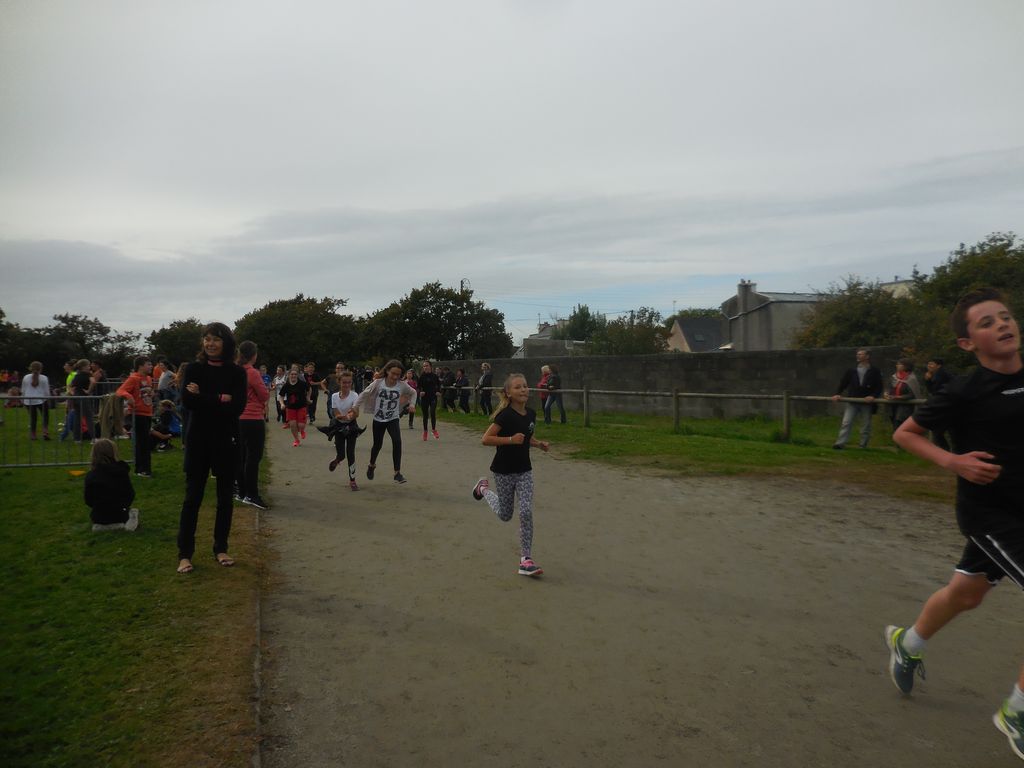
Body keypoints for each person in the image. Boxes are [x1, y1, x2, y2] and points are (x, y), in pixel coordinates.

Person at [884, 288, 1024, 762]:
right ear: (967, 343)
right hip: (991, 515)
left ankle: (908, 642)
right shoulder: (963, 391)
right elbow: (905, 433)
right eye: (987, 322)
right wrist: (954, 461)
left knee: (966, 594)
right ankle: (1018, 712)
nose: (1002, 324)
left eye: (1005, 317)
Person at [176, 322, 247, 575]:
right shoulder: (193, 369)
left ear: (226, 343)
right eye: (207, 339)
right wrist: (219, 398)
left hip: (226, 440)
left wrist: (203, 396)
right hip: (198, 441)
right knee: (192, 499)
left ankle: (221, 548)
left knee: (224, 499)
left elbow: (237, 407)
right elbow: (187, 402)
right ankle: (185, 554)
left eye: (216, 339)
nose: (210, 343)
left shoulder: (236, 372)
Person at [470, 373, 550, 577]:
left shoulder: (531, 414)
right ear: (508, 393)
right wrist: (510, 440)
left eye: (525, 386)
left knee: (525, 511)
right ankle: (482, 489)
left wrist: (538, 444)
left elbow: (526, 437)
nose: (523, 389)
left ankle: (526, 559)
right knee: (505, 515)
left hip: (524, 470)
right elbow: (486, 439)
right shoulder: (504, 416)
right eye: (517, 387)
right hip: (503, 471)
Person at [355, 359, 417, 484]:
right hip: (379, 418)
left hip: (393, 418)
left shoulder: (402, 385)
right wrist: (355, 407)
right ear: (387, 371)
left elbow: (413, 392)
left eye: (398, 374)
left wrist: (412, 404)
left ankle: (397, 473)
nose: (395, 377)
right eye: (393, 373)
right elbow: (364, 394)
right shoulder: (378, 383)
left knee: (397, 441)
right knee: (377, 445)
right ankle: (371, 465)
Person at [235, 340, 270, 510]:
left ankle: (241, 491)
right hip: (253, 417)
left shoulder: (236, 371)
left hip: (239, 417)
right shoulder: (252, 373)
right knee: (253, 458)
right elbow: (264, 395)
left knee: (242, 456)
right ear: (253, 355)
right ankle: (251, 494)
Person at [830, 348, 883, 449]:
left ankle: (863, 445)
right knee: (846, 422)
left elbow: (879, 386)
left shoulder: (874, 371)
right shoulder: (851, 370)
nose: (858, 356)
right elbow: (843, 383)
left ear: (867, 356)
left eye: (861, 354)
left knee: (865, 424)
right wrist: (837, 393)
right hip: (852, 401)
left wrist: (873, 396)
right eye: (857, 354)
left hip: (866, 402)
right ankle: (840, 443)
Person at [85, 438, 139, 532]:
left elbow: (88, 500)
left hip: (99, 517)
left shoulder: (91, 475)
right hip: (120, 514)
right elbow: (130, 494)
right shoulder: (121, 472)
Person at [116, 356, 155, 476]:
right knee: (143, 443)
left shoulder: (148, 378)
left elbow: (146, 393)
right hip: (138, 414)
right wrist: (128, 396)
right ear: (140, 366)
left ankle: (141, 469)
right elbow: (120, 391)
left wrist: (151, 394)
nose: (151, 366)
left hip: (148, 413)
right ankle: (143, 469)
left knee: (144, 442)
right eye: (148, 364)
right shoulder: (133, 378)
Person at [328, 370, 364, 491]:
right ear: (339, 382)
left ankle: (352, 480)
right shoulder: (334, 396)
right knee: (342, 454)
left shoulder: (355, 395)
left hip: (352, 426)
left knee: (350, 453)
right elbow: (336, 413)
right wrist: (343, 416)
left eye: (349, 382)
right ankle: (337, 460)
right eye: (344, 382)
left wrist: (351, 415)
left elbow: (356, 413)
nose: (347, 385)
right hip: (339, 427)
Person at [884, 358, 922, 433]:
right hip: (893, 406)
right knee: (894, 426)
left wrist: (898, 397)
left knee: (899, 425)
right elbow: (888, 388)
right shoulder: (894, 377)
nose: (897, 365)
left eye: (899, 364)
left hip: (905, 407)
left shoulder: (911, 378)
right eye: (897, 364)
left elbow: (912, 394)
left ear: (906, 366)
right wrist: (886, 393)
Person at [924, 357, 953, 450]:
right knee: (939, 431)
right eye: (928, 364)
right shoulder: (936, 374)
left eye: (932, 364)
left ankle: (946, 451)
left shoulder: (941, 374)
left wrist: (928, 381)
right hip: (946, 405)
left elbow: (935, 391)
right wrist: (928, 380)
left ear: (939, 365)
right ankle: (947, 451)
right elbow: (932, 391)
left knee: (938, 431)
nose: (929, 366)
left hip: (947, 406)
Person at [278, 368, 309, 447]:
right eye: (292, 374)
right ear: (289, 375)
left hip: (301, 406)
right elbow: (281, 396)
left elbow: (309, 389)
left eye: (295, 374)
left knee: (300, 425)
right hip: (290, 407)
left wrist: (308, 398)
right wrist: (282, 404)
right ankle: (296, 440)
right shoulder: (286, 385)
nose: (293, 376)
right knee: (292, 425)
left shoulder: (302, 383)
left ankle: (302, 430)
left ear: (297, 375)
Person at [69, 359, 99, 442]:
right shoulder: (88, 374)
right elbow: (93, 382)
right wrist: (88, 391)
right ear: (84, 367)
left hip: (75, 398)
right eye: (88, 365)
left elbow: (70, 385)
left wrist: (72, 393)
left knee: (77, 418)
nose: (89, 367)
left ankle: (77, 439)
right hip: (84, 398)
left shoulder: (77, 375)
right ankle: (93, 438)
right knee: (89, 418)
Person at [21, 361, 51, 440]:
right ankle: (45, 432)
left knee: (33, 418)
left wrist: (23, 400)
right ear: (41, 369)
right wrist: (48, 398)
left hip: (29, 400)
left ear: (30, 368)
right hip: (41, 400)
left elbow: (23, 390)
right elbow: (46, 391)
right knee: (45, 416)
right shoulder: (44, 378)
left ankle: (33, 435)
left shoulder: (26, 377)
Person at [417, 360, 441, 441]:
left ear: (430, 366)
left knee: (432, 412)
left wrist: (438, 391)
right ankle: (425, 431)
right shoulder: (421, 377)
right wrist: (420, 392)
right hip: (425, 398)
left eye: (427, 365)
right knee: (425, 415)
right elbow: (418, 387)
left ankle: (434, 430)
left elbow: (438, 385)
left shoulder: (435, 376)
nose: (425, 367)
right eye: (424, 366)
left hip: (433, 397)